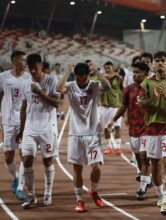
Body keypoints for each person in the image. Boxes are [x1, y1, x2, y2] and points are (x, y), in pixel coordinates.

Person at [56, 62, 111, 213]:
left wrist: (97, 72)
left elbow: (107, 87)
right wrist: (67, 69)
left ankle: (94, 191)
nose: (80, 81)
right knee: (77, 169)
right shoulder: (71, 85)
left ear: (88, 75)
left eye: (83, 78)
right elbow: (58, 88)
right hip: (75, 134)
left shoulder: (94, 84)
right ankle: (79, 200)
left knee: (96, 166)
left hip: (92, 133)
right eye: (78, 78)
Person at [138, 51, 166, 215]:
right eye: (157, 61)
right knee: (154, 165)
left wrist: (165, 95)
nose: (159, 63)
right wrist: (153, 98)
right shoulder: (146, 84)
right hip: (152, 130)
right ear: (153, 64)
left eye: (163, 61)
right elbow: (141, 104)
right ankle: (160, 193)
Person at [17, 53, 59, 209]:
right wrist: (21, 130)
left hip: (47, 128)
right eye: (30, 68)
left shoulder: (51, 80)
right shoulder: (24, 82)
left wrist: (40, 92)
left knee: (47, 161)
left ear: (41, 65)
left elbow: (57, 104)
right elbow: (23, 107)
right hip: (30, 128)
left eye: (35, 68)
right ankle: (32, 196)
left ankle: (48, 193)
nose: (32, 72)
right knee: (26, 160)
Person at [107, 62, 153, 200]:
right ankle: (147, 178)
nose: (134, 75)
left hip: (148, 129)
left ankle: (142, 188)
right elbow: (123, 106)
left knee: (145, 157)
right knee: (138, 158)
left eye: (137, 72)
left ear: (146, 74)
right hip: (134, 129)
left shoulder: (151, 88)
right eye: (133, 72)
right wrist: (113, 120)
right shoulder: (129, 89)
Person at [0, 50, 29, 201]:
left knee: (24, 155)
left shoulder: (28, 78)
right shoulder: (3, 77)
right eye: (23, 60)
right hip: (7, 121)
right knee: (8, 157)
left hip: (24, 121)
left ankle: (20, 188)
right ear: (15, 61)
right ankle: (16, 177)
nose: (25, 63)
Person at [101, 61, 124, 155]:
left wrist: (122, 103)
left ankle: (118, 148)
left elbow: (122, 90)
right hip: (105, 106)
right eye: (105, 67)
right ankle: (108, 146)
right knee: (106, 127)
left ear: (113, 68)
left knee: (117, 126)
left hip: (116, 105)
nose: (107, 69)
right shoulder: (102, 78)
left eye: (109, 67)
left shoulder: (118, 78)